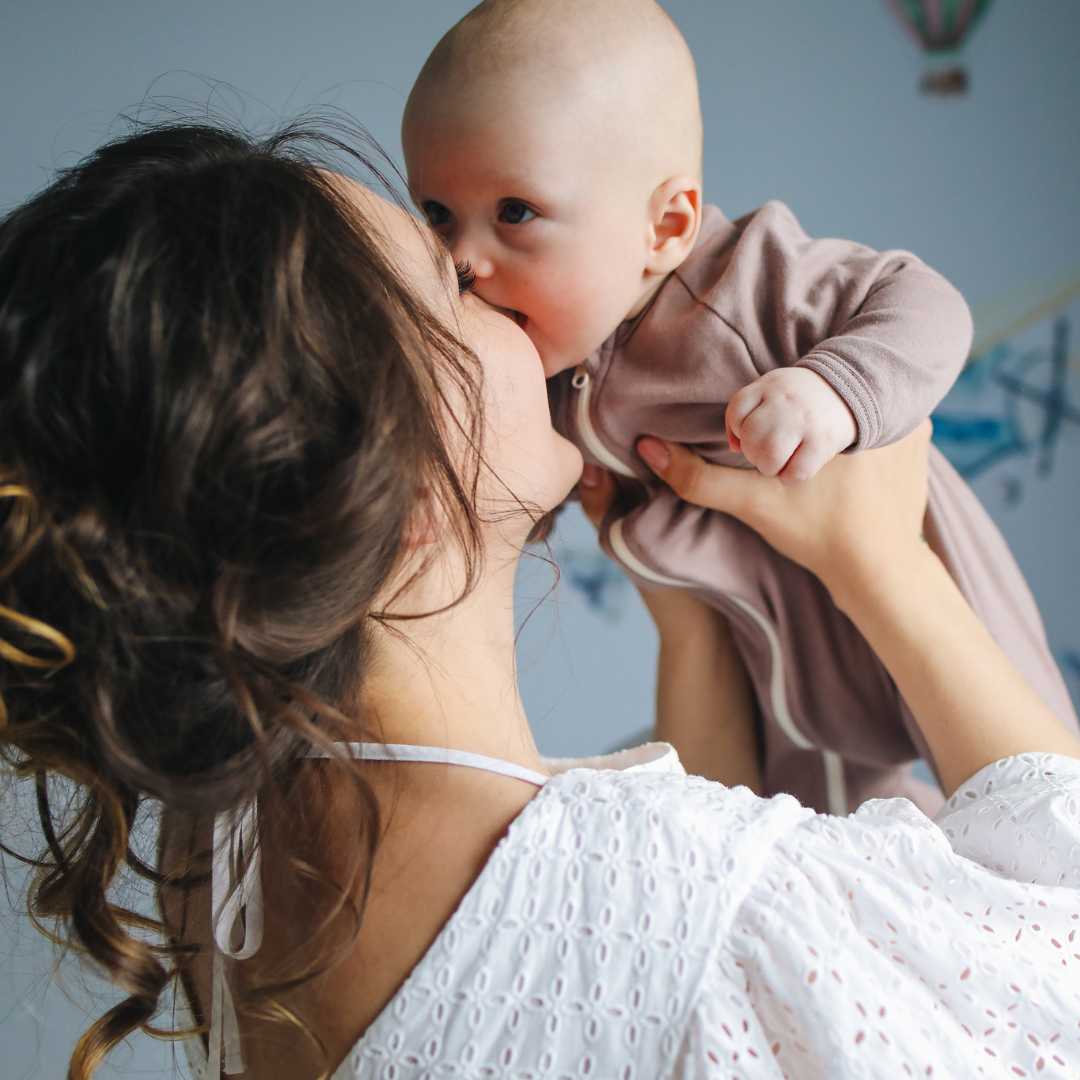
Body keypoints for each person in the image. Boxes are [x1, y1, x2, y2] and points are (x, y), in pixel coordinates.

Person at [1, 121, 1079, 1080]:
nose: (506, 293)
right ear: (408, 483)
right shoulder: (699, 903)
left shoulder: (227, 853)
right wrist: (883, 564)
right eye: (453, 285)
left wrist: (686, 606)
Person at [400, 0, 1079, 818]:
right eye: (437, 215)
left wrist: (834, 388)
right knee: (813, 825)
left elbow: (926, 303)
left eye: (515, 213)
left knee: (1027, 809)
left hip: (918, 580)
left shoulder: (744, 282)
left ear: (667, 226)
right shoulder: (547, 355)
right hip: (768, 649)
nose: (464, 261)